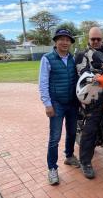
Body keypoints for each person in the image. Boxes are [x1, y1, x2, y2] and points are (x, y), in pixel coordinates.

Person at [39, 28, 79, 185]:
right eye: (61, 39)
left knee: (71, 133)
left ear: (70, 42)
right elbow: (43, 83)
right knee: (55, 137)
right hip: (56, 103)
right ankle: (52, 169)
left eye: (67, 39)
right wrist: (47, 104)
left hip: (73, 103)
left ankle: (69, 156)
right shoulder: (47, 58)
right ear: (55, 41)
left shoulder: (73, 58)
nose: (65, 42)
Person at [75, 27, 103, 179]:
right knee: (92, 125)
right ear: (88, 40)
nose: (96, 41)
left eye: (98, 39)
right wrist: (95, 73)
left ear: (102, 39)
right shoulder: (82, 55)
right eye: (93, 39)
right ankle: (85, 162)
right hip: (93, 94)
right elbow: (82, 72)